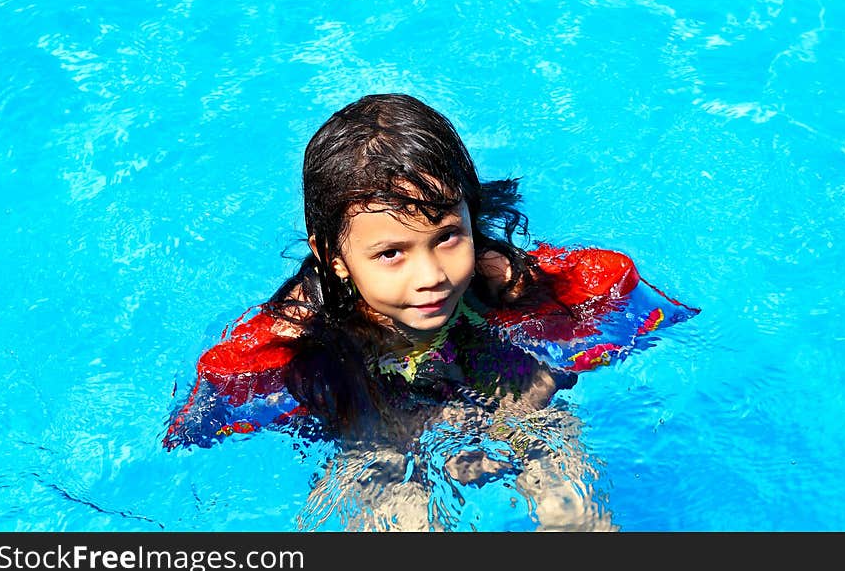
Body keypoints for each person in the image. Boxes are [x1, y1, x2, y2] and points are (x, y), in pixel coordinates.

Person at [162, 93, 698, 529]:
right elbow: (200, 427)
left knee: (559, 472)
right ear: (333, 257)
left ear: (471, 215)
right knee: (403, 507)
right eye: (390, 253)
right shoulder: (296, 342)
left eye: (447, 237)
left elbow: (636, 307)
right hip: (377, 421)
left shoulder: (512, 286)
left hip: (488, 375)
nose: (431, 277)